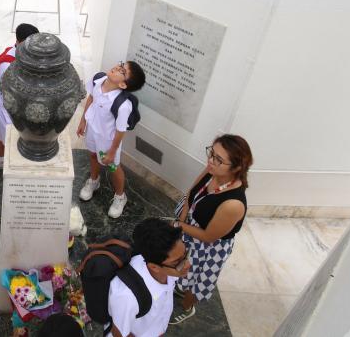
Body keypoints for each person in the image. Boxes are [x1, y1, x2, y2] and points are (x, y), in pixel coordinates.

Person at [170, 134, 253, 324]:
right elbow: (191, 193)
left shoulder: (233, 204)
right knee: (181, 265)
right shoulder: (213, 170)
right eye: (211, 153)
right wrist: (181, 222)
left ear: (237, 167)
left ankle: (187, 307)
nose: (210, 161)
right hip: (190, 227)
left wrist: (179, 226)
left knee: (196, 281)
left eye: (218, 159)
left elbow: (208, 237)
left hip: (208, 247)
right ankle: (180, 285)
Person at [77, 61, 146, 219]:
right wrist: (83, 121)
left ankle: (120, 196)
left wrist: (112, 151)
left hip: (108, 141)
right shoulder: (99, 79)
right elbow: (91, 99)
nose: (116, 67)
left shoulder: (123, 105)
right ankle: (94, 181)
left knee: (113, 167)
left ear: (122, 85)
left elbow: (120, 131)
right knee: (93, 155)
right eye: (121, 64)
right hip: (92, 132)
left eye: (122, 71)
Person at [107, 218, 188, 337]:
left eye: (186, 254)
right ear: (154, 267)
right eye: (178, 262)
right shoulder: (127, 297)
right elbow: (118, 333)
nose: (188, 264)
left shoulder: (168, 269)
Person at [0, 23, 39, 171]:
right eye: (29, 43)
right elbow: (8, 90)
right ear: (19, 41)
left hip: (21, 104)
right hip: (8, 106)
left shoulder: (27, 54)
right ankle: (6, 163)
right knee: (9, 137)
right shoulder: (7, 64)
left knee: (6, 135)